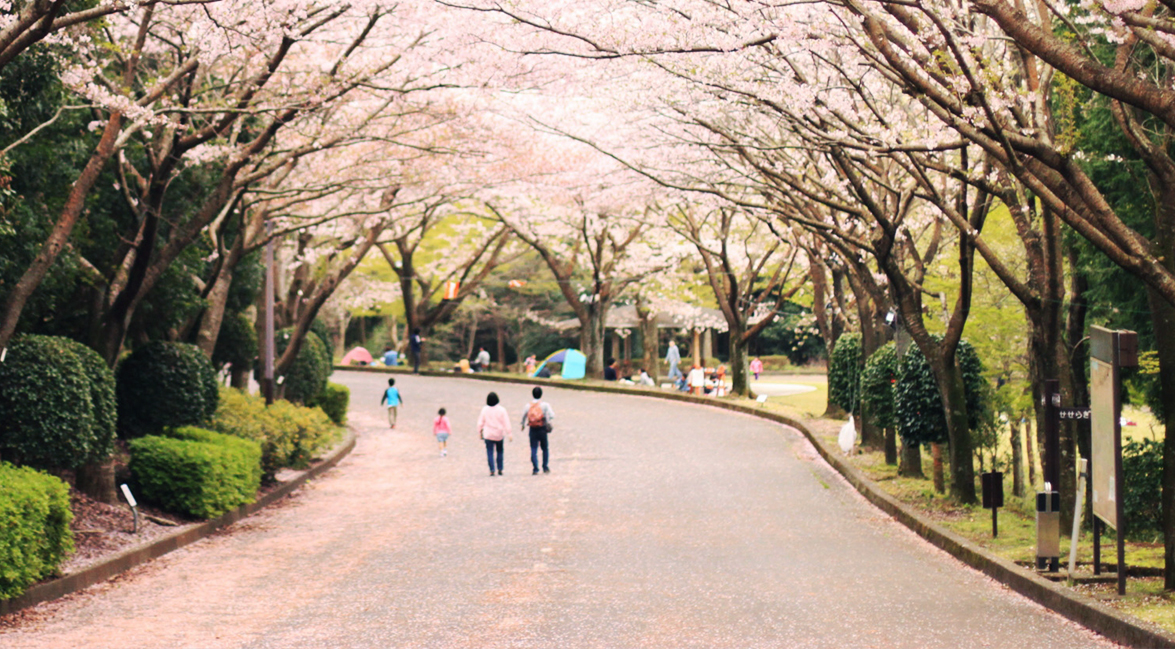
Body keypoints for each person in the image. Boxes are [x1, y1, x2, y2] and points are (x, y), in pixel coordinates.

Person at [521, 386, 555, 475]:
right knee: (544, 448)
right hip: (542, 428)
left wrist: (523, 425)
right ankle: (545, 466)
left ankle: (535, 468)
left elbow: (523, 416)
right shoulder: (545, 405)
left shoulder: (528, 405)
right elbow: (552, 415)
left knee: (533, 448)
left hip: (532, 429)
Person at [477, 392, 512, 476]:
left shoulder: (485, 410)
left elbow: (480, 422)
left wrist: (479, 431)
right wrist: (509, 433)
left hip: (488, 434)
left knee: (490, 452)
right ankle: (500, 468)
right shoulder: (502, 410)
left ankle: (492, 469)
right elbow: (506, 422)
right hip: (499, 434)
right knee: (500, 451)